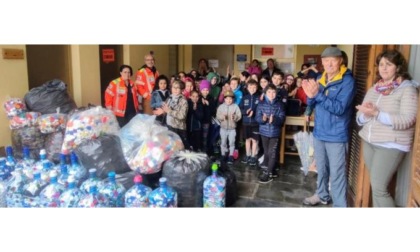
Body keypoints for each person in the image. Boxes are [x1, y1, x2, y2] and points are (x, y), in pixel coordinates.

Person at [355, 49, 418, 207]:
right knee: (377, 186)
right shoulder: (375, 88)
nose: (383, 68)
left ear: (397, 67)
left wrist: (377, 113)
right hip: (370, 141)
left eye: (388, 64)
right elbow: (360, 118)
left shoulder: (407, 89)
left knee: (379, 189)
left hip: (390, 144)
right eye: (381, 64)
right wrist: (366, 114)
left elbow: (408, 119)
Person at [302, 47, 356, 207]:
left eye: (333, 60)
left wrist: (317, 95)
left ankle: (339, 205)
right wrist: (309, 104)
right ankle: (322, 194)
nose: (329, 63)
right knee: (322, 169)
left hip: (336, 135)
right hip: (319, 132)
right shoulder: (320, 77)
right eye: (326, 60)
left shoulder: (347, 81)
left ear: (340, 61)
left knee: (337, 174)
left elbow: (339, 108)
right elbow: (312, 99)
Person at [255, 83, 286, 183]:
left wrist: (274, 120)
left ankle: (268, 174)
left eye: (273, 92)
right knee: (266, 151)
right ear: (265, 93)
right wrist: (263, 119)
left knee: (271, 152)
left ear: (276, 93)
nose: (271, 94)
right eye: (269, 92)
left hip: (274, 132)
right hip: (264, 132)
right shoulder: (261, 104)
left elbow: (282, 119)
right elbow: (257, 118)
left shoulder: (280, 105)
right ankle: (269, 169)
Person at [153, 80, 189, 148]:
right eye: (173, 87)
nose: (175, 89)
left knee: (180, 148)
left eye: (178, 88)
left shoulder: (183, 101)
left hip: (178, 129)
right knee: (171, 148)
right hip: (169, 126)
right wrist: (162, 111)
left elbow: (182, 116)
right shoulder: (170, 97)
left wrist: (169, 111)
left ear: (181, 89)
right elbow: (165, 108)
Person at [216, 90, 242, 164]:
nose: (229, 100)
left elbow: (239, 116)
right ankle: (223, 154)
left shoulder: (235, 106)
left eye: (230, 99)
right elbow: (218, 115)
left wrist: (235, 117)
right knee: (223, 142)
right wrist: (222, 117)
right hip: (223, 128)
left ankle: (231, 155)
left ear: (233, 99)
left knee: (232, 142)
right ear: (224, 99)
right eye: (227, 98)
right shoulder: (221, 107)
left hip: (232, 129)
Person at [239, 79, 260, 166]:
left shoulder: (259, 98)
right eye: (250, 87)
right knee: (247, 140)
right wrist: (245, 112)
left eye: (254, 87)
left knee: (254, 140)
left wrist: (254, 112)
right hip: (246, 122)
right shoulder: (244, 98)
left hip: (255, 123)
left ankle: (253, 156)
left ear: (257, 88)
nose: (252, 89)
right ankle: (247, 155)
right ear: (247, 88)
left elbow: (260, 109)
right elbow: (240, 109)